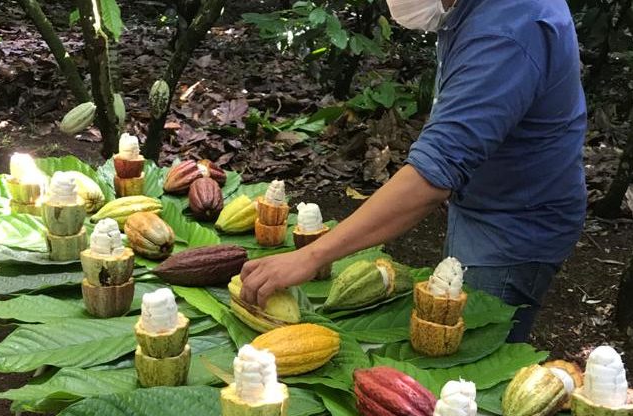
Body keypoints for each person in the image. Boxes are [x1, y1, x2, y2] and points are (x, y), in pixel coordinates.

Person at [240, 0, 588, 343]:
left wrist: (311, 255)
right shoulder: (476, 11)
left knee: (473, 352)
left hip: (516, 224)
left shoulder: (508, 29)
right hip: (486, 197)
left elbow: (435, 171)